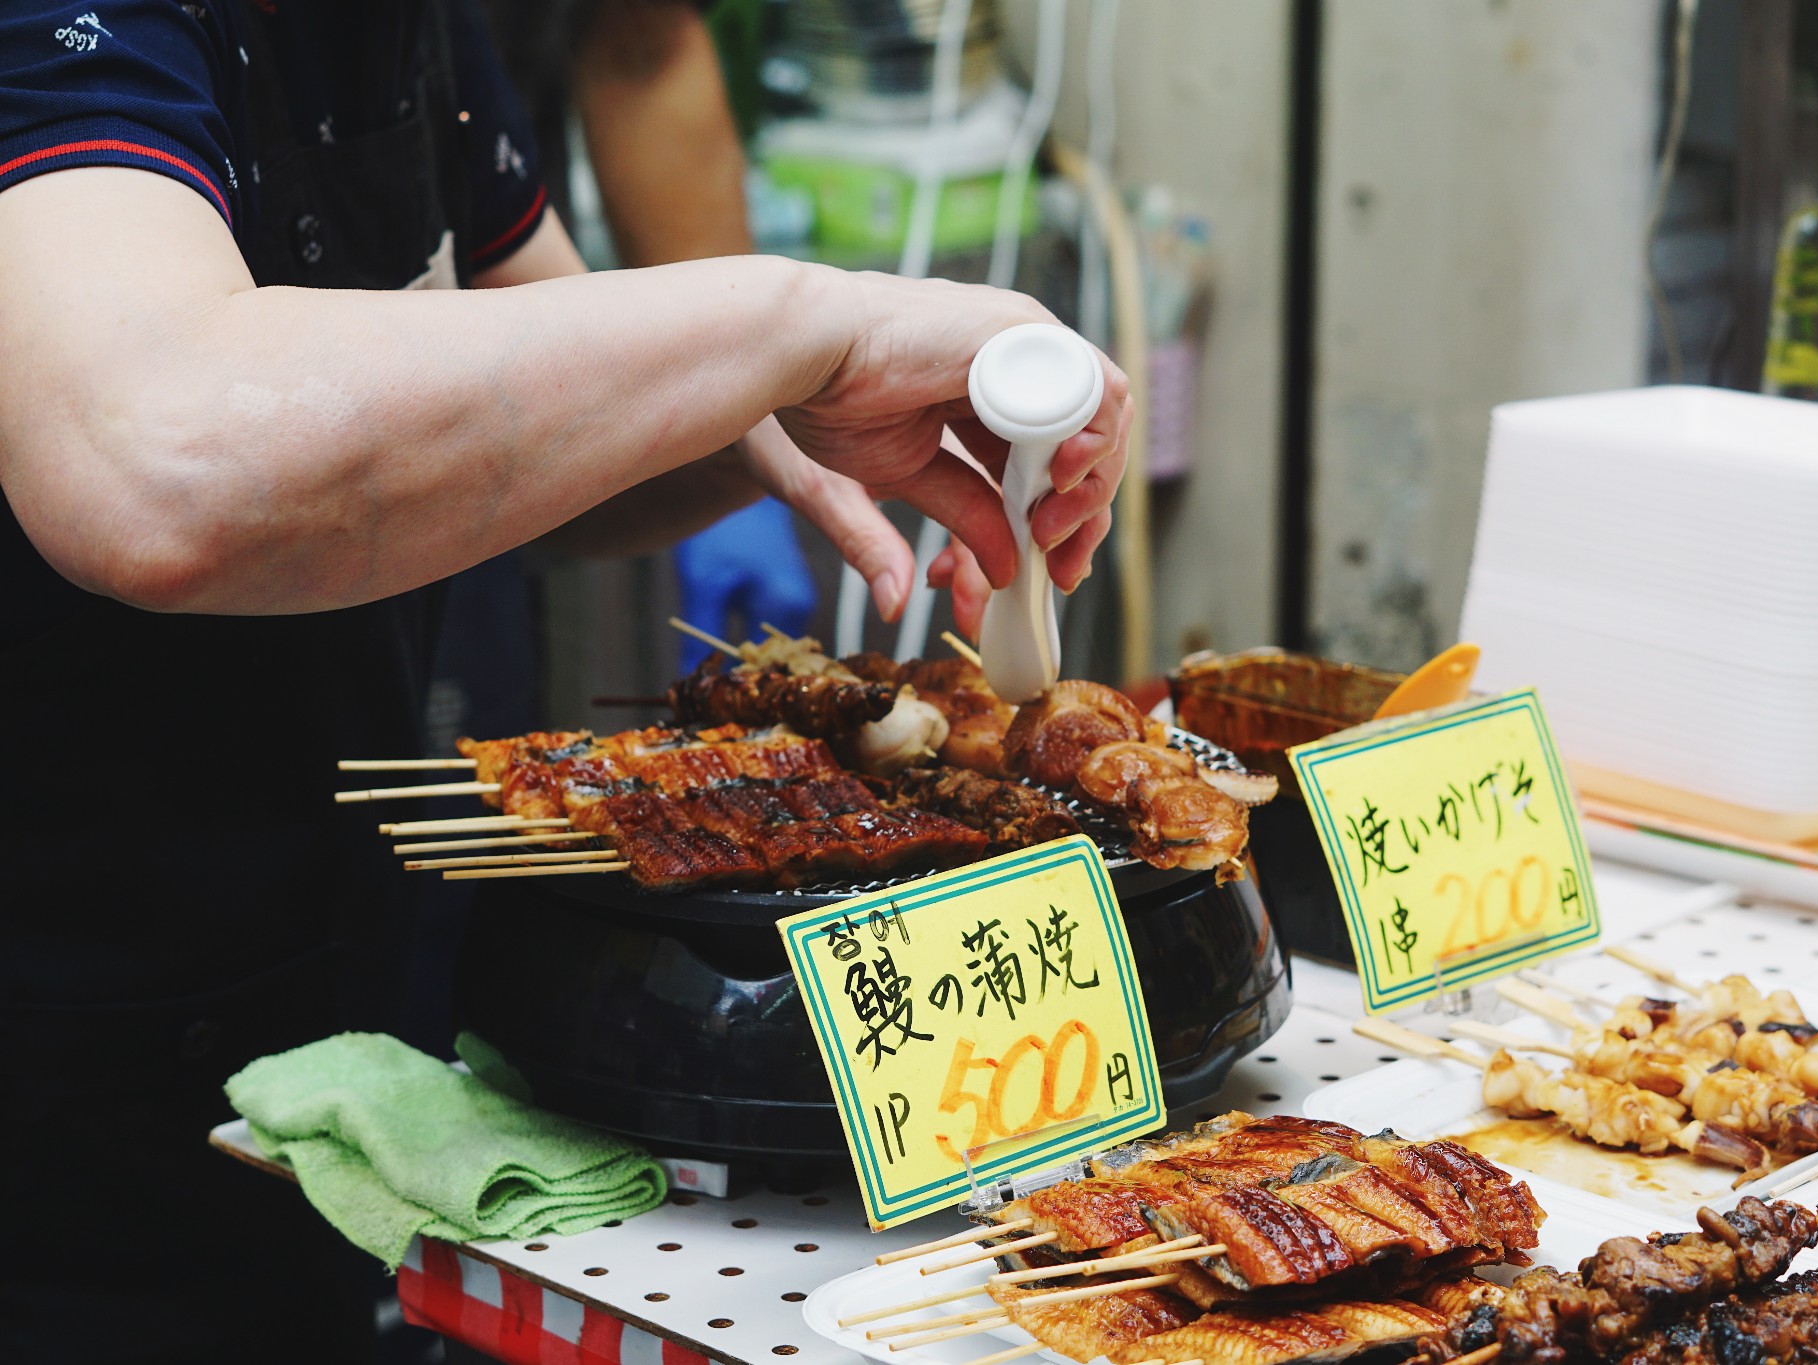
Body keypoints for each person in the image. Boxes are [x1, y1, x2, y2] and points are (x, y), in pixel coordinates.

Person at [0, 3, 1128, 1362]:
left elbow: (524, 407)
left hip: (293, 996)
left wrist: (787, 434)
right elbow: (154, 460)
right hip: (60, 1069)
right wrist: (798, 322)